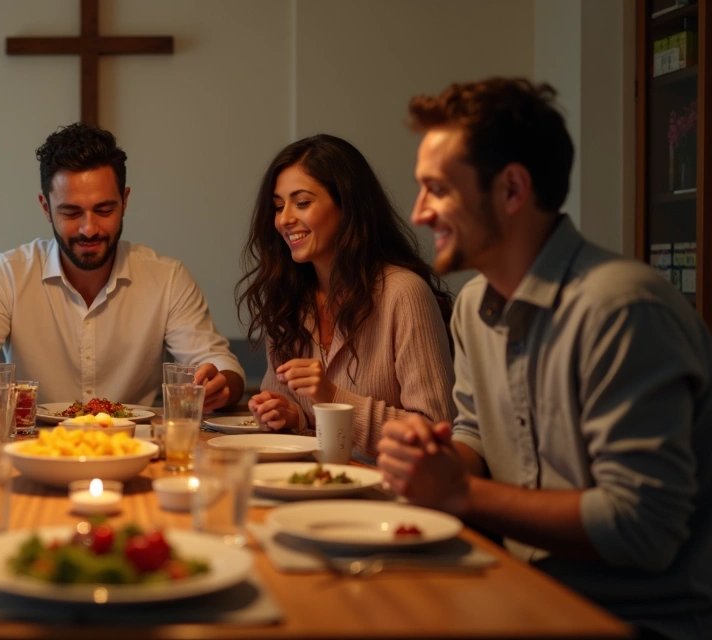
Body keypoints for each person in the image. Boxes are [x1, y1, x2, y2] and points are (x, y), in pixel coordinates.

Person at [378, 77, 711, 640]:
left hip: (637, 621)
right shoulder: (474, 305)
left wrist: (460, 492)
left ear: (512, 190)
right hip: (522, 595)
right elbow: (477, 437)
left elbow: (644, 528)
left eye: (437, 189)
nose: (420, 212)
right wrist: (436, 459)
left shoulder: (621, 308)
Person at [0, 122, 244, 410]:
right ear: (46, 208)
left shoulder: (168, 279)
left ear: (125, 201)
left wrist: (219, 384)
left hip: (134, 447)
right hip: (35, 448)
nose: (89, 229)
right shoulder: (7, 273)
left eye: (104, 209)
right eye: (71, 213)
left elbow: (221, 365)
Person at [236, 134, 455, 460]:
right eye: (279, 206)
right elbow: (292, 412)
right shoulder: (288, 300)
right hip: (310, 484)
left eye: (302, 203)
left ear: (347, 206)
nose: (284, 219)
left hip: (388, 497)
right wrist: (290, 415)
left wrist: (333, 398)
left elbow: (436, 435)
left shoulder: (404, 293)